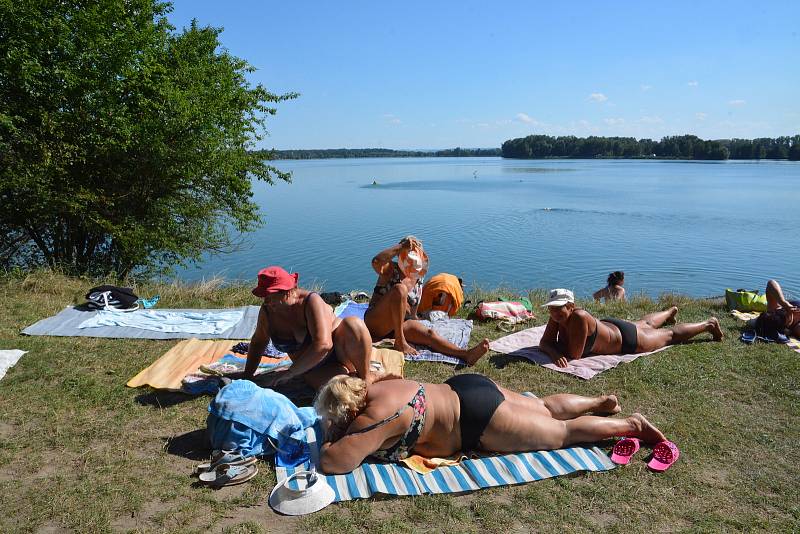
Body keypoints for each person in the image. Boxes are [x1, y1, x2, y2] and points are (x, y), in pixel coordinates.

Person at [315, 373, 667, 474]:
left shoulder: (376, 418)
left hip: (477, 419)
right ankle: (598, 402)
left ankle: (631, 425)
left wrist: (333, 436)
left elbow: (335, 462)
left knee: (563, 433)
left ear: (348, 411)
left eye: (336, 418)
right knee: (542, 407)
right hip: (467, 386)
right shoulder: (378, 385)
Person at [243, 266, 375, 389]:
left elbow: (324, 344)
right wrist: (247, 375)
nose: (266, 302)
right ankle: (356, 379)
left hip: (341, 353)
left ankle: (366, 376)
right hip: (311, 369)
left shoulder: (311, 301)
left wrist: (289, 373)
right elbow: (258, 342)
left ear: (287, 292)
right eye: (264, 297)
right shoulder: (267, 311)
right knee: (333, 388)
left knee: (354, 324)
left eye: (270, 297)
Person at [363, 236, 489, 365]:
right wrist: (401, 247)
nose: (413, 266)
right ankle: (400, 342)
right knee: (400, 290)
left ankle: (466, 354)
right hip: (376, 322)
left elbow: (412, 313)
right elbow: (376, 261)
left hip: (399, 325)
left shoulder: (418, 278)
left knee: (429, 334)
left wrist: (420, 325)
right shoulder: (390, 270)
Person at [539, 288, 723, 368]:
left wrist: (553, 350)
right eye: (551, 308)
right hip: (612, 326)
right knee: (645, 324)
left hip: (628, 341)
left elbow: (574, 354)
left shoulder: (578, 316)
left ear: (571, 306)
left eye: (559, 308)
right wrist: (553, 350)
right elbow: (544, 342)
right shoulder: (557, 316)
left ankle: (709, 324)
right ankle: (669, 311)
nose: (554, 313)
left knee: (669, 335)